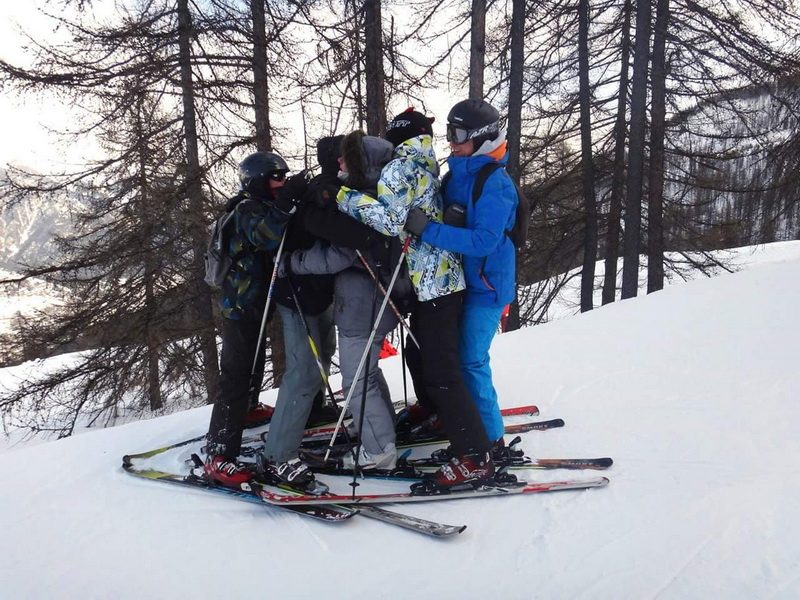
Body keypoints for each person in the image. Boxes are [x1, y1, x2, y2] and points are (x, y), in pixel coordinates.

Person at [336, 109, 495, 491]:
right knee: (421, 356)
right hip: (439, 282)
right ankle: (449, 425)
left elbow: (390, 221)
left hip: (433, 285)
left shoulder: (398, 168)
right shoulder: (426, 162)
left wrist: (344, 196)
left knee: (443, 373)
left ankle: (475, 455)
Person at [403, 99, 518, 451]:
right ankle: (455, 416)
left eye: (459, 134)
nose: (451, 141)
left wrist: (429, 230)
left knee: (470, 360)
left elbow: (485, 241)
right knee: (446, 357)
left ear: (482, 137)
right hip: (460, 283)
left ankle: (492, 439)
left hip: (487, 288)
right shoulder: (456, 174)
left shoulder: (495, 183)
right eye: (449, 132)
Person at [284, 131, 401, 471]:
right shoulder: (382, 195)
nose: (339, 162)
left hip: (362, 304)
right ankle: (380, 430)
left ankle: (379, 450)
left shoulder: (361, 202)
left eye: (347, 158)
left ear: (363, 164)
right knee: (366, 373)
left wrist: (293, 262)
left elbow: (340, 255)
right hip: (376, 299)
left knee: (356, 380)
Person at [204, 151, 308, 488]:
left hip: (256, 303)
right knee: (235, 374)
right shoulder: (246, 209)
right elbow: (265, 236)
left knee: (254, 361)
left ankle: (247, 408)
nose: (282, 183)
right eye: (276, 177)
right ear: (258, 180)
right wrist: (287, 203)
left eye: (284, 177)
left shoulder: (261, 205)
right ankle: (218, 453)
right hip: (241, 305)